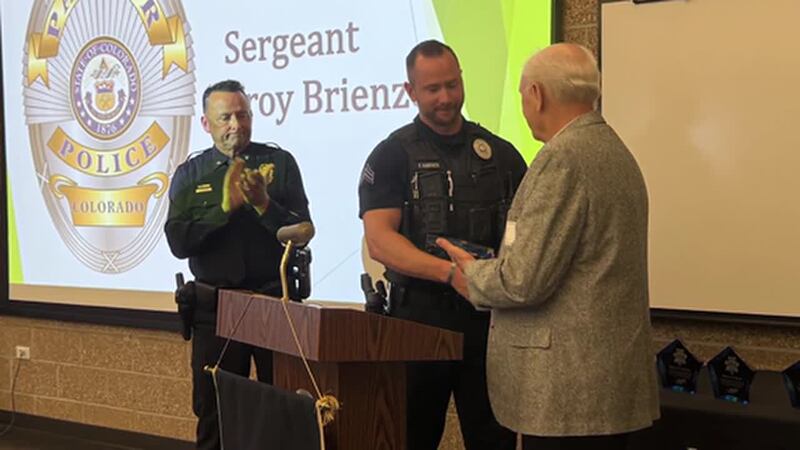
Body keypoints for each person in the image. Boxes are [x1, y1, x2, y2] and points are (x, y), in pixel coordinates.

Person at [437, 43, 660, 450]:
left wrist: (466, 272)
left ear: (537, 94)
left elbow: (523, 280)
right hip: (603, 386)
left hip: (568, 395)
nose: (523, 105)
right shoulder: (615, 151)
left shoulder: (562, 158)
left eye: (522, 95)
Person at [358, 40, 526, 450]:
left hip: (489, 322)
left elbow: (525, 237)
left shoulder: (502, 156)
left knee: (494, 438)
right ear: (411, 91)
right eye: (432, 89)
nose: (446, 98)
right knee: (412, 435)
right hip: (418, 317)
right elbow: (379, 240)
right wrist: (450, 274)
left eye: (452, 84)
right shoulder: (391, 155)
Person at [165, 79, 311, 450]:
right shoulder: (190, 174)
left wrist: (264, 205)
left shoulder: (280, 162)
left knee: (283, 411)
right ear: (205, 124)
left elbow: (303, 229)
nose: (236, 124)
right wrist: (224, 209)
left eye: (243, 115)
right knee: (214, 412)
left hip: (273, 304)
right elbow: (178, 243)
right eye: (226, 116)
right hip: (216, 309)